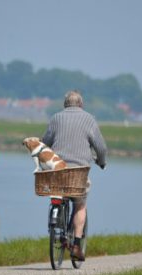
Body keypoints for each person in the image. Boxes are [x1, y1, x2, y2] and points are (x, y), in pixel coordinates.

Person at [42, 90, 107, 261]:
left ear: (65, 104)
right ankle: (76, 245)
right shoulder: (89, 119)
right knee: (80, 205)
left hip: (57, 172)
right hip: (78, 174)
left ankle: (56, 224)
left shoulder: (56, 118)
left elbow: (44, 144)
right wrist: (101, 161)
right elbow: (100, 148)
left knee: (58, 195)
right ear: (81, 104)